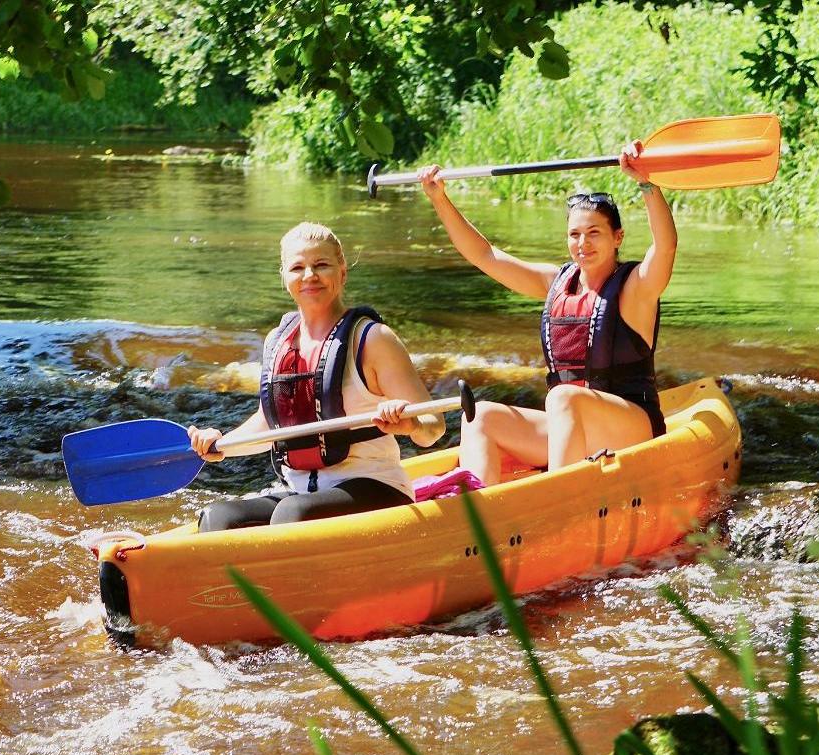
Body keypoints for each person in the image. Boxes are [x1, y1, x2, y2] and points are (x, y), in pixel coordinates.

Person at [416, 141, 675, 486]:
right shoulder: (556, 283)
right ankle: (480, 514)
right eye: (575, 234)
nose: (583, 243)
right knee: (479, 417)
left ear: (618, 237)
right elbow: (485, 256)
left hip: (632, 426)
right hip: (571, 425)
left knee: (563, 396)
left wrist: (646, 183)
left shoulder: (636, 288)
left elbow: (666, 245)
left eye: (594, 233)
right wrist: (439, 200)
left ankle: (557, 497)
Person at [189, 222, 445, 531]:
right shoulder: (277, 341)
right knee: (219, 518)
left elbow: (435, 427)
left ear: (342, 272)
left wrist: (411, 424)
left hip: (376, 488)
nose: (309, 275)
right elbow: (269, 423)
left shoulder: (374, 340)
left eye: (321, 265)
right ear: (284, 278)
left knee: (292, 515)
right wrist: (220, 444)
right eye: (298, 267)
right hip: (300, 493)